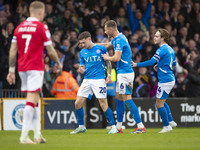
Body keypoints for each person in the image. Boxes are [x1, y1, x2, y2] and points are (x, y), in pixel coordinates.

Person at [6, 1, 62, 144]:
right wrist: (58, 62)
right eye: (43, 13)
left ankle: (37, 135)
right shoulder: (41, 27)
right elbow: (50, 50)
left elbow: (13, 52)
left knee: (35, 100)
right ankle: (23, 137)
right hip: (35, 67)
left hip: (21, 68)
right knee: (31, 99)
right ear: (39, 12)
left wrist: (11, 70)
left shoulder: (19, 28)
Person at [101, 20, 146, 134]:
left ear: (111, 29)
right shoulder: (117, 39)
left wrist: (106, 57)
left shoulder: (120, 40)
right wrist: (91, 45)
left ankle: (140, 126)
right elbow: (106, 45)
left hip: (125, 74)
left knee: (127, 99)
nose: (105, 32)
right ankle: (119, 127)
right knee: (118, 98)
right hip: (122, 73)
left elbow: (116, 58)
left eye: (106, 30)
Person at [70, 31, 118, 134]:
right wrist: (81, 69)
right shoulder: (82, 52)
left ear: (89, 39)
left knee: (103, 103)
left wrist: (109, 75)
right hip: (87, 80)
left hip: (99, 80)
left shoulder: (101, 49)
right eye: (80, 43)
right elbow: (82, 66)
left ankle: (113, 127)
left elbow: (108, 62)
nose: (82, 45)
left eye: (83, 43)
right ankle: (81, 126)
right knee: (77, 103)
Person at [132, 28, 177, 133]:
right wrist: (160, 64)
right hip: (169, 78)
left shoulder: (161, 49)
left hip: (165, 80)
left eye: (157, 36)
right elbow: (173, 64)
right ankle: (170, 121)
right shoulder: (170, 49)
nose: (154, 37)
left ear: (163, 38)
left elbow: (151, 61)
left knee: (159, 104)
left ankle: (167, 126)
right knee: (161, 100)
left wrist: (136, 64)